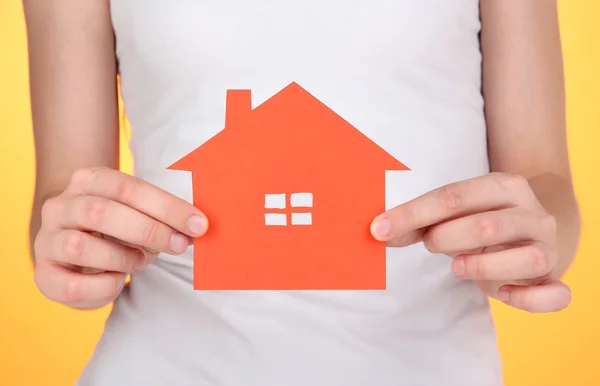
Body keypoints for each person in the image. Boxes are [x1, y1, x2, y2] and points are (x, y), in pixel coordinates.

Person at [23, 1, 580, 385]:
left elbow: (544, 182)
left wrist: (530, 241)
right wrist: (76, 254)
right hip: (167, 363)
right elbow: (63, 197)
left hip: (429, 367)